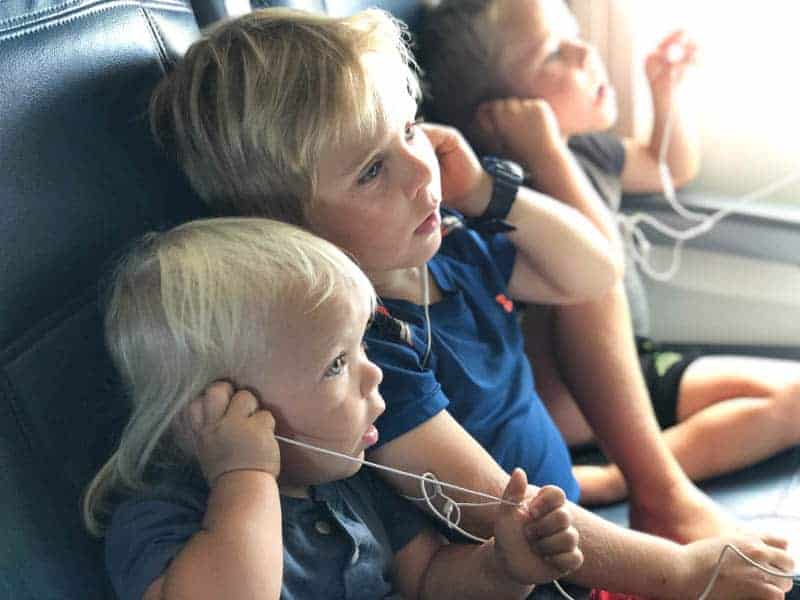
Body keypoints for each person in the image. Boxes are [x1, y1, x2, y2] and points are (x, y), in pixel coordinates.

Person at [145, 8, 795, 597]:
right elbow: (489, 502)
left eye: (409, 129)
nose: (421, 169)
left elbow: (593, 274)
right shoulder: (364, 351)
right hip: (543, 569)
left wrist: (491, 191)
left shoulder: (450, 248)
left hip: (572, 523)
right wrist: (682, 572)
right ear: (291, 227)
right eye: (372, 170)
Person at [422, 0, 800, 513]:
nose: (585, 52)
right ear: (499, 115)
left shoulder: (592, 150)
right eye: (555, 53)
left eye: (576, 34)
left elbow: (671, 165)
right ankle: (633, 478)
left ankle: (619, 474)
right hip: (574, 400)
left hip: (634, 363)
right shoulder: (507, 189)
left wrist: (663, 93)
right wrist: (545, 155)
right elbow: (601, 264)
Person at [82, 217, 586, 600]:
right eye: (337, 363)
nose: (375, 373)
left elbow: (430, 576)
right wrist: (245, 476)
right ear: (218, 407)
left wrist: (504, 566)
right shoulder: (160, 517)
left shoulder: (345, 478)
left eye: (363, 346)